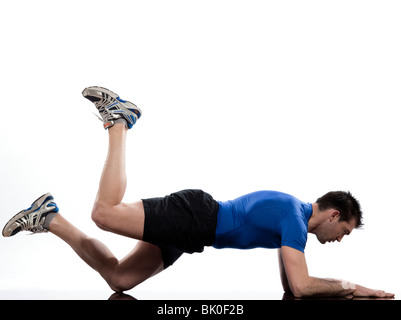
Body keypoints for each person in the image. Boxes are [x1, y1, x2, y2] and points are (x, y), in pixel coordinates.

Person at [2, 86, 394, 299]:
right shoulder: (293, 219)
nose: (337, 240)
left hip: (193, 234)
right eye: (342, 233)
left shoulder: (290, 219)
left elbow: (291, 287)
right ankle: (120, 122)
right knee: (105, 213)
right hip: (196, 217)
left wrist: (339, 291)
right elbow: (304, 287)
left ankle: (49, 217)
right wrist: (350, 288)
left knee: (120, 280)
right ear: (333, 215)